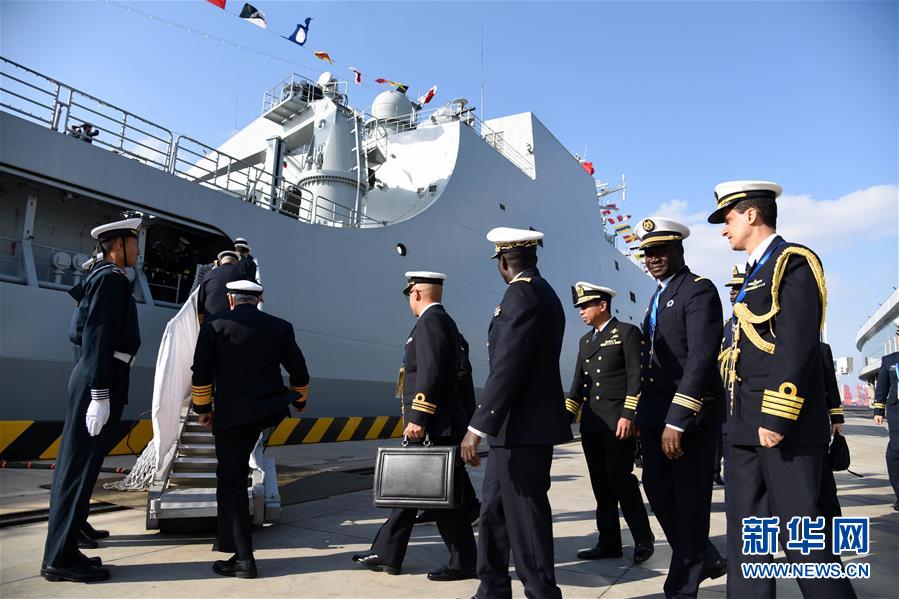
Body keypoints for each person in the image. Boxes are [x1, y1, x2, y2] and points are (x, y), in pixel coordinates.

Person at [710, 180, 855, 598]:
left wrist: (777, 414)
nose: (724, 229)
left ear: (752, 215)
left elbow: (797, 341)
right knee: (747, 542)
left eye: (729, 218)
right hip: (742, 428)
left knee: (802, 540)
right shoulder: (756, 271)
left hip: (781, 427)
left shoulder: (792, 262)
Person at [460, 227, 571, 599]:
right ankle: (491, 588)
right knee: (493, 511)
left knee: (524, 518)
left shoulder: (521, 295)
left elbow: (507, 365)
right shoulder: (543, 292)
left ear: (503, 262)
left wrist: (477, 425)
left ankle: (542, 593)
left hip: (523, 427)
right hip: (513, 429)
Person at [352, 272, 477, 581]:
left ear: (417, 293)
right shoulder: (439, 322)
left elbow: (431, 372)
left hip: (434, 424)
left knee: (442, 498)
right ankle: (388, 553)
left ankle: (463, 562)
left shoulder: (431, 322)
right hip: (439, 421)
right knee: (415, 492)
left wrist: (419, 418)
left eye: (409, 294)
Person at [41, 217, 142, 583]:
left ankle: (67, 546)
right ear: (117, 246)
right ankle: (59, 559)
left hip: (99, 375)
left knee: (82, 465)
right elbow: (96, 337)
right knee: (77, 467)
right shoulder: (111, 281)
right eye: (134, 243)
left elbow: (82, 335)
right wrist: (98, 394)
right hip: (100, 380)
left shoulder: (105, 279)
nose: (138, 250)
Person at [191, 280, 310, 579]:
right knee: (245, 466)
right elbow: (299, 369)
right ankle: (234, 548)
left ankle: (242, 558)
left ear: (231, 300)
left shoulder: (216, 325)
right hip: (266, 414)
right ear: (259, 300)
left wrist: (203, 409)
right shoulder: (280, 326)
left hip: (231, 416)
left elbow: (201, 370)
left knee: (230, 482)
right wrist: (300, 402)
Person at [634, 217, 726, 598]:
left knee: (690, 502)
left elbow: (701, 357)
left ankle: (681, 587)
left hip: (689, 416)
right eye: (647, 253)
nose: (653, 259)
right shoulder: (658, 297)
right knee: (655, 487)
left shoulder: (698, 290)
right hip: (656, 414)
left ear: (678, 250)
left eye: (660, 251)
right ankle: (702, 555)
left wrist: (679, 418)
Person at [565, 282, 655, 565]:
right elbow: (578, 384)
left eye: (585, 306)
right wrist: (565, 418)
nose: (581, 311)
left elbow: (636, 378)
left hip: (618, 422)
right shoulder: (585, 341)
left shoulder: (627, 333)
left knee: (621, 481)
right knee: (601, 485)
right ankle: (609, 542)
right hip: (593, 424)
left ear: (602, 305)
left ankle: (643, 539)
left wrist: (629, 415)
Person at [714, 265, 746, 486]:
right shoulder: (726, 327)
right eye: (731, 289)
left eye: (737, 287)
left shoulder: (759, 320)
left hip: (750, 399)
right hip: (726, 400)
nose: (732, 293)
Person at [873, 326, 899, 511]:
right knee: (895, 453)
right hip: (897, 412)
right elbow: (882, 386)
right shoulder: (889, 360)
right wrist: (878, 411)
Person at [818, 342, 845, 522]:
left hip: (814, 426)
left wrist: (836, 418)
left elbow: (831, 384)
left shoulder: (821, 349)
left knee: (824, 485)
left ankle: (834, 533)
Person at [197, 251, 241, 320]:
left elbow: (200, 300)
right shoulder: (241, 275)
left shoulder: (208, 274)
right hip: (232, 321)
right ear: (236, 263)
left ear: (220, 262)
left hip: (211, 319)